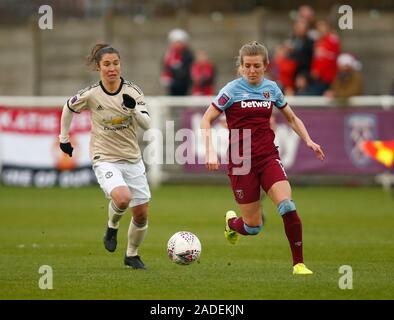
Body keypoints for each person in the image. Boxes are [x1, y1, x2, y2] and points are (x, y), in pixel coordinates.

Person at [200, 41, 325, 275]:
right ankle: (231, 224)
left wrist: (309, 140)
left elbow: (291, 118)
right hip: (241, 162)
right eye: (247, 66)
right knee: (253, 227)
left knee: (287, 205)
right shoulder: (231, 90)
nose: (252, 71)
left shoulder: (272, 89)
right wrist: (210, 152)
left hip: (268, 157)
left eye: (257, 66)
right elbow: (206, 120)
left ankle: (298, 263)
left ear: (266, 66)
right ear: (241, 66)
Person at [58, 44, 151, 269]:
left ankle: (132, 255)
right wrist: (63, 137)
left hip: (132, 158)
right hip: (105, 157)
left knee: (141, 216)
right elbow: (68, 107)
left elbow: (147, 124)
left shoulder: (133, 91)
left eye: (116, 63)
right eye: (107, 64)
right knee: (122, 198)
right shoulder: (91, 94)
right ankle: (112, 225)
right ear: (98, 67)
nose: (112, 68)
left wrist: (133, 110)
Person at [161, 28, 194, 96]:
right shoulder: (169, 54)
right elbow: (165, 66)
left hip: (184, 84)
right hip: (172, 84)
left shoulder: (187, 54)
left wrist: (176, 68)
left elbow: (187, 70)